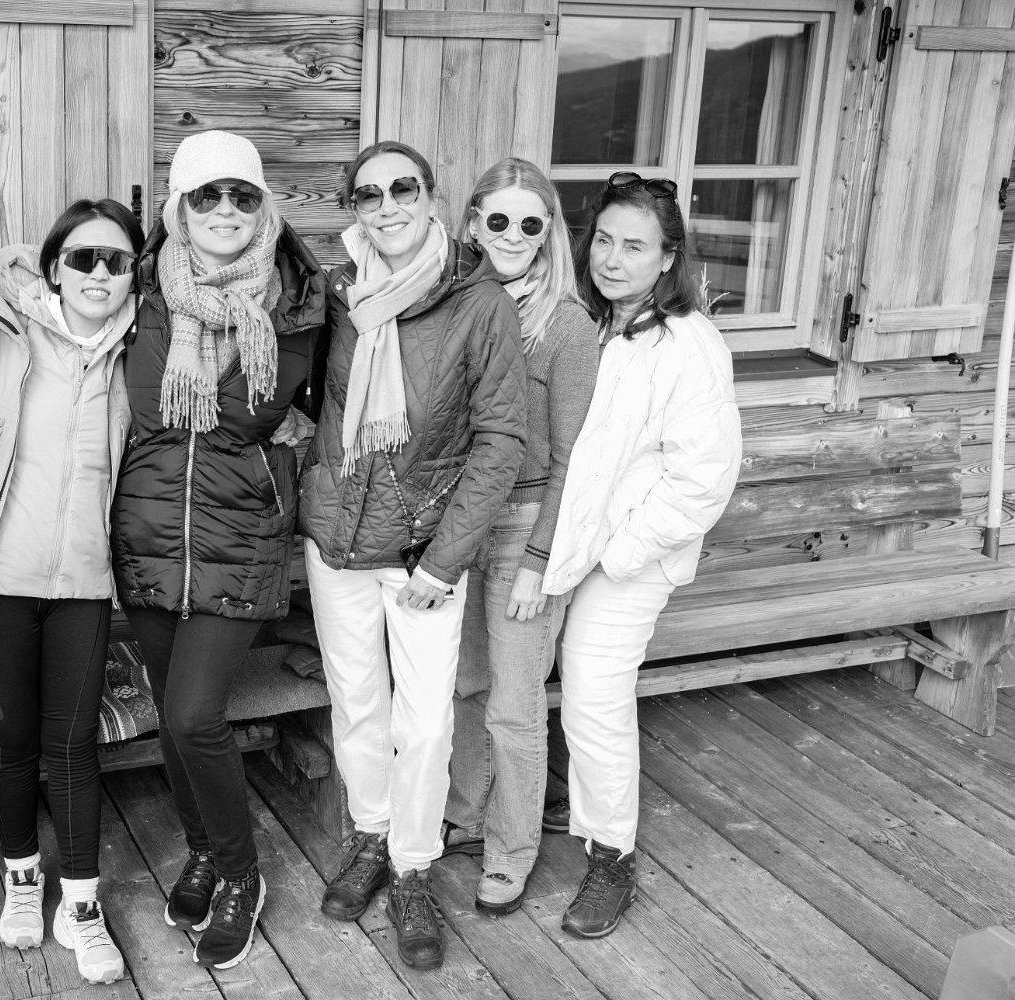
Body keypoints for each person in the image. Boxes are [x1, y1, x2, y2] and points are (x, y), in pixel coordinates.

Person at [297, 140, 528, 970]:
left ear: (432, 197)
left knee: (424, 724)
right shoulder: (339, 293)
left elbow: (501, 440)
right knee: (357, 703)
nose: (387, 205)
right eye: (369, 194)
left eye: (403, 188)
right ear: (353, 209)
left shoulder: (478, 301)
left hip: (423, 551)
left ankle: (413, 866)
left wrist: (444, 559)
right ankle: (370, 836)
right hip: (337, 540)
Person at [110, 129, 327, 970]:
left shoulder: (301, 303)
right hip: (150, 536)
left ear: (263, 205)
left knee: (195, 714)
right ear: (179, 208)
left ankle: (240, 873)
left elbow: (363, 389)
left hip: (241, 539)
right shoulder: (138, 290)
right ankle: (201, 849)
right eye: (208, 195)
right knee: (174, 715)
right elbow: (42, 302)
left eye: (242, 195)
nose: (225, 210)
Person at [542, 171, 742, 938]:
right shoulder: (591, 321)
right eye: (604, 240)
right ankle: (554, 798)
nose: (612, 258)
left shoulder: (687, 344)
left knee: (594, 692)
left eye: (634, 246)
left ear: (668, 258)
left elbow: (703, 481)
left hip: (630, 555)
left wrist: (618, 552)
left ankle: (611, 855)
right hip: (571, 541)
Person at [0, 199, 144, 985]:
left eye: (116, 261)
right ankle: (23, 876)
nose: (99, 273)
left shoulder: (142, 345)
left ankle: (83, 904)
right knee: (9, 738)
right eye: (82, 258)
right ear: (54, 267)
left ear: (134, 273)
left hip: (85, 586)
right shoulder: (0, 329)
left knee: (73, 745)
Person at [442, 158, 599, 914]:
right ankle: (465, 815)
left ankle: (511, 849)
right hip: (460, 523)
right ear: (474, 224)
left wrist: (541, 559)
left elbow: (574, 458)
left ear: (548, 232)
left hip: (526, 526)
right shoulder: (455, 304)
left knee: (513, 702)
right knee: (467, 685)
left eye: (529, 222)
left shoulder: (566, 326)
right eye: (497, 219)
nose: (512, 234)